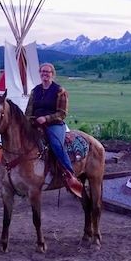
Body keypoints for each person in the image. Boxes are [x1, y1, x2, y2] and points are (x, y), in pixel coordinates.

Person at [25, 63, 83, 198]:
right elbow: (28, 110)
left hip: (54, 124)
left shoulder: (59, 91)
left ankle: (70, 176)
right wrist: (27, 121)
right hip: (35, 123)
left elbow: (62, 113)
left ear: (52, 74)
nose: (45, 74)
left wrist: (46, 118)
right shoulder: (35, 91)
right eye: (42, 72)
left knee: (56, 145)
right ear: (40, 73)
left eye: (48, 72)